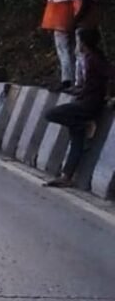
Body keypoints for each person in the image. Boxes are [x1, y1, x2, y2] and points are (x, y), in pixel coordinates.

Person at [44, 28, 109, 188]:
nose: (76, 44)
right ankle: (67, 176)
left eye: (78, 41)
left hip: (89, 104)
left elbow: (110, 75)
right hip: (86, 99)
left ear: (84, 43)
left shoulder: (93, 59)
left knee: (51, 114)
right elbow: (89, 84)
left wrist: (109, 95)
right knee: (76, 139)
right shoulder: (90, 58)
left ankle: (84, 124)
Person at [41, 0, 76, 90]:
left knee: (64, 51)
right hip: (72, 20)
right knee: (72, 51)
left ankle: (67, 80)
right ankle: (75, 80)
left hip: (60, 22)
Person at [74, 0, 103, 88]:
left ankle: (85, 83)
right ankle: (83, 82)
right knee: (87, 52)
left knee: (83, 53)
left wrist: (76, 19)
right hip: (93, 18)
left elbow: (85, 1)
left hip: (85, 20)